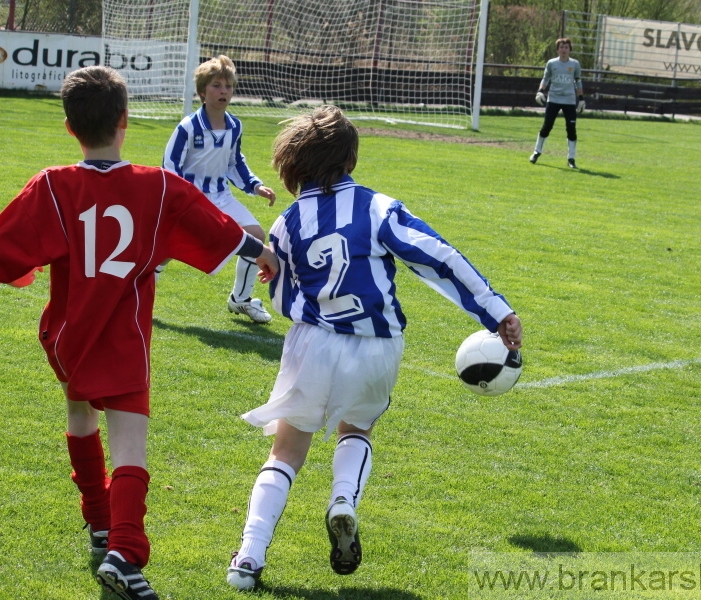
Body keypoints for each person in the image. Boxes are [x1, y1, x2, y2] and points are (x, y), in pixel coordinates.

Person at [0, 66, 279, 600]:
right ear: (125, 120)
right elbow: (217, 229)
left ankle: (98, 519)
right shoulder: (157, 186)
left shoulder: (51, 183)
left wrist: (10, 272)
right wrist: (264, 253)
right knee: (129, 440)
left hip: (69, 336)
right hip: (125, 338)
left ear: (71, 129)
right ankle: (125, 548)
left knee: (79, 412)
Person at [225, 105, 523, 591]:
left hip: (312, 343)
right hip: (377, 345)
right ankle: (344, 500)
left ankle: (249, 557)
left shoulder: (288, 220)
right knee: (357, 427)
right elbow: (438, 257)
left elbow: (280, 292)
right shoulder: (376, 206)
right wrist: (497, 311)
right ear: (350, 160)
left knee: (286, 450)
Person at [163, 55, 277, 324]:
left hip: (221, 197)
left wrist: (256, 185)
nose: (223, 90)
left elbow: (235, 163)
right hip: (191, 199)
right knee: (166, 249)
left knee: (256, 238)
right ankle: (137, 293)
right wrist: (181, 200)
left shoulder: (235, 125)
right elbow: (170, 166)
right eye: (216, 85)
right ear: (203, 91)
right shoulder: (188, 127)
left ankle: (240, 300)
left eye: (228, 85)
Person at [529, 37, 585, 169]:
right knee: (547, 126)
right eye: (561, 47)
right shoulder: (551, 63)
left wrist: (581, 99)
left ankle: (571, 158)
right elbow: (545, 78)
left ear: (570, 49)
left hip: (569, 100)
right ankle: (537, 152)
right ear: (557, 49)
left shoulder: (575, 64)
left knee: (571, 129)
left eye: (566, 47)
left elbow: (578, 81)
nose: (564, 50)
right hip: (553, 99)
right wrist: (540, 91)